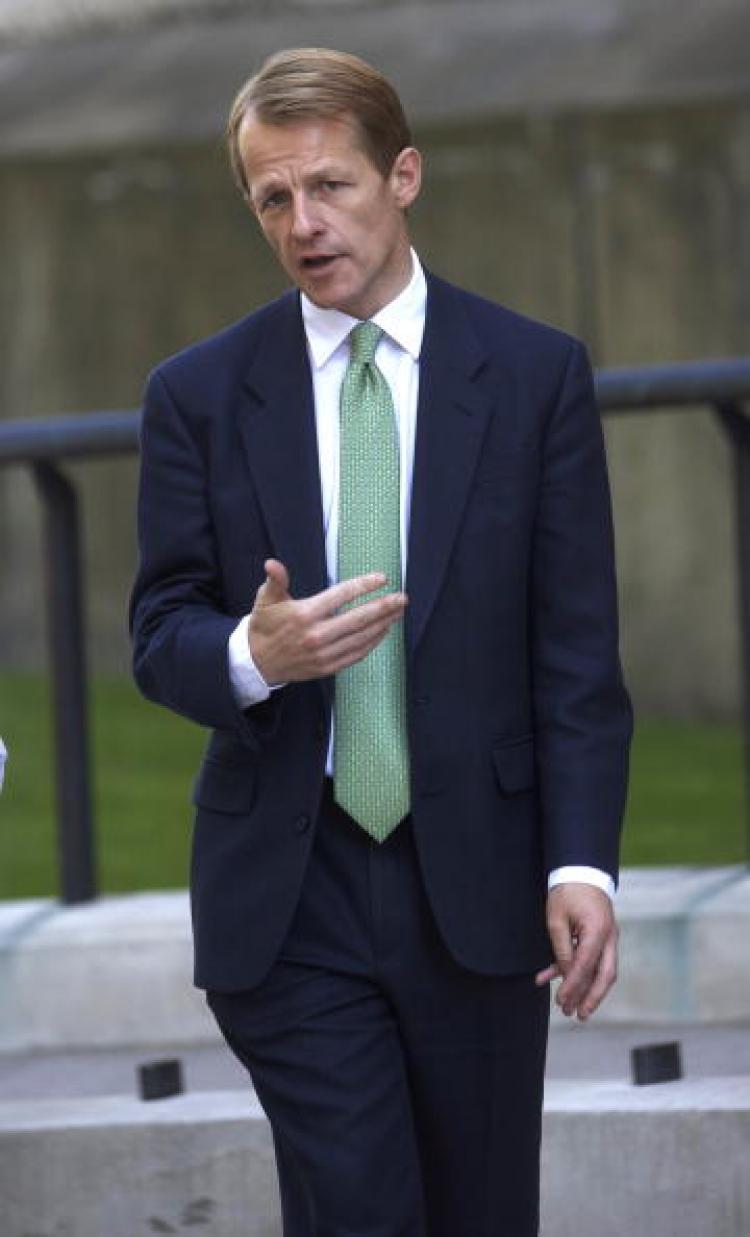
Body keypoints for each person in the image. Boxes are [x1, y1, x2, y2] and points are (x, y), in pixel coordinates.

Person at [130, 47, 632, 1236]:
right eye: (272, 198)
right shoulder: (198, 395)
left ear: (403, 176)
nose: (304, 224)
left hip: (480, 885)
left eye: (330, 187)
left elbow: (575, 653)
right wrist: (256, 656)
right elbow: (160, 635)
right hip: (287, 898)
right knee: (360, 1207)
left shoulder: (533, 376)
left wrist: (581, 865)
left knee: (482, 1212)